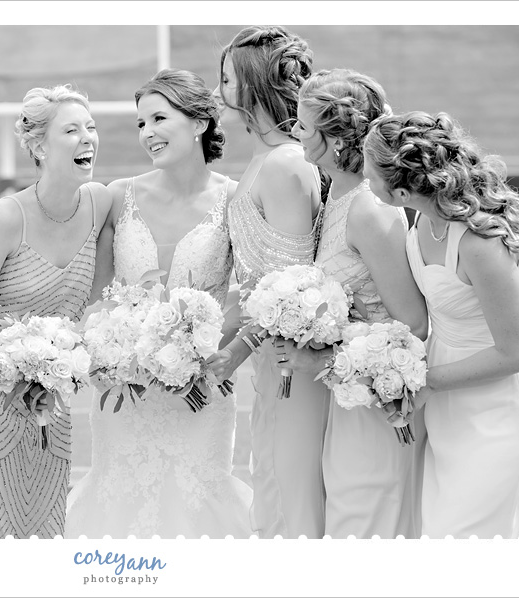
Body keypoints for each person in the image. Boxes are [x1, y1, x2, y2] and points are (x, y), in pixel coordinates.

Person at [65, 68, 253, 539]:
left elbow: (251, 296)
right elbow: (96, 298)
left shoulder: (236, 199)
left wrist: (207, 354)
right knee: (118, 501)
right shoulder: (117, 196)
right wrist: (110, 352)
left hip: (202, 390)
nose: (147, 133)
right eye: (140, 124)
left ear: (198, 123)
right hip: (126, 392)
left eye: (158, 118)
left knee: (198, 502)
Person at [363, 110, 519, 539]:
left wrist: (425, 381)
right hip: (450, 409)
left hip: (498, 410)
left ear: (401, 190)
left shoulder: (480, 244)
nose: (365, 183)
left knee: (473, 536)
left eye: (370, 176)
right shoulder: (421, 222)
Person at [0, 84, 112, 539]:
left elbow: (94, 304)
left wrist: (57, 368)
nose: (88, 138)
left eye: (91, 128)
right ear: (38, 145)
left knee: (44, 522)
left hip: (50, 397)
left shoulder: (101, 204)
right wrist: (17, 366)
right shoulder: (5, 216)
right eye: (72, 130)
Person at [274, 69, 429, 538]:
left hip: (382, 402)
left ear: (336, 137)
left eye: (303, 124)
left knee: (366, 520)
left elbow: (412, 324)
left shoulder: (370, 210)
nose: (294, 131)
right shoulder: (334, 195)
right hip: (349, 398)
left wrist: (320, 354)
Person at [206, 25, 328, 539]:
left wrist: (236, 349)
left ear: (253, 85)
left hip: (293, 358)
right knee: (271, 484)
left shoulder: (286, 164)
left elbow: (296, 285)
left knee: (293, 495)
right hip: (267, 355)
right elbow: (258, 280)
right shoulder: (262, 159)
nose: (218, 92)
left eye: (228, 80)